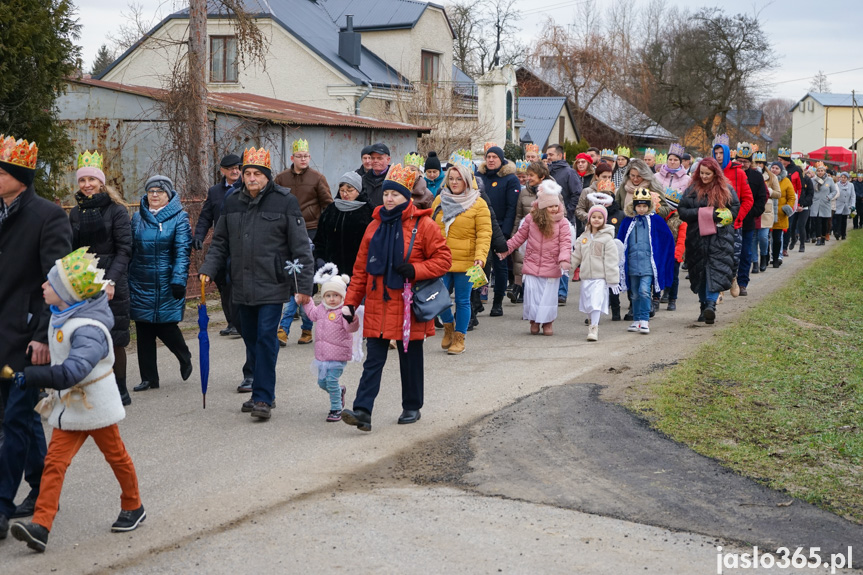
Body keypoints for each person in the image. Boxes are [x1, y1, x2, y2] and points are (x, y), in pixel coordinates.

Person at [6, 248, 145, 553]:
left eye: (50, 284)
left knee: (116, 456)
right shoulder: (63, 316)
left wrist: (33, 377)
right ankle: (41, 526)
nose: (44, 286)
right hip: (71, 406)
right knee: (54, 463)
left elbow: (73, 371)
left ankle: (133, 505)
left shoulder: (87, 329)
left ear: (67, 295)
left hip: (95, 405)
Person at [199, 147, 314, 421]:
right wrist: (208, 268)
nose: (251, 178)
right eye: (247, 173)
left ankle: (262, 397)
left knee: (265, 338)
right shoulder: (232, 201)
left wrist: (304, 287)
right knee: (251, 338)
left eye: (256, 174)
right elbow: (220, 242)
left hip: (273, 282)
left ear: (266, 176)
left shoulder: (285, 202)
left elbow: (300, 247)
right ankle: (264, 392)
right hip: (240, 283)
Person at [340, 165, 452, 432]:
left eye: (396, 195)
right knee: (373, 360)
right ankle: (362, 411)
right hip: (378, 300)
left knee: (410, 358)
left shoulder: (424, 225)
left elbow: (444, 260)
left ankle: (412, 406)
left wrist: (416, 270)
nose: (389, 199)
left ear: (407, 197)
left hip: (408, 304)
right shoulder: (373, 226)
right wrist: (351, 302)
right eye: (387, 194)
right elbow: (360, 269)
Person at [0, 134, 72, 539]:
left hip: (27, 335)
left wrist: (45, 335)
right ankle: (43, 486)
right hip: (0, 329)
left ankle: (6, 502)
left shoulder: (48, 216)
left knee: (15, 417)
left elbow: (56, 280)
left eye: (1, 171)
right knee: (20, 420)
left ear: (20, 178)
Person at [68, 151, 133, 406]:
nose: (86, 185)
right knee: (88, 337)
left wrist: (111, 281)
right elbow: (73, 250)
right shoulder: (75, 213)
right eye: (82, 180)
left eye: (91, 180)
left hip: (112, 281)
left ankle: (121, 389)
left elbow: (125, 249)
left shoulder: (116, 211)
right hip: (85, 281)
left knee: (115, 337)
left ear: (101, 182)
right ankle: (96, 387)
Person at [128, 175, 193, 392]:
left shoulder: (180, 218)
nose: (154, 195)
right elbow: (130, 250)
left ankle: (184, 355)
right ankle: (148, 378)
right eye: (151, 191)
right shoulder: (137, 218)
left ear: (168, 194)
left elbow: (182, 252)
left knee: (166, 325)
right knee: (144, 326)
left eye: (159, 191)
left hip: (166, 280)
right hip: (141, 280)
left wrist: (178, 280)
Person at [274, 139, 334, 346]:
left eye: (306, 156)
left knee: (305, 279)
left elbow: (328, 205)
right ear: (292, 158)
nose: (303, 159)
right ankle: (296, 328)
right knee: (293, 277)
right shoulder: (281, 178)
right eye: (299, 156)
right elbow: (273, 202)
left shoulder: (317, 178)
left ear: (309, 157)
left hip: (311, 230)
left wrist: (324, 231)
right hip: (287, 231)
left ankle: (302, 329)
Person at [432, 163, 492, 355]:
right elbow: (431, 229)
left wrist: (480, 257)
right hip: (441, 259)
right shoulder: (440, 200)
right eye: (451, 179)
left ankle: (459, 337)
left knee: (463, 301)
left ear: (467, 180)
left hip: (467, 261)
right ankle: (448, 328)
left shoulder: (478, 203)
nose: (455, 182)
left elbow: (484, 233)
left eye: (459, 179)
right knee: (439, 300)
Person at [498, 180, 572, 336]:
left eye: (555, 205)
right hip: (532, 263)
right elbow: (519, 237)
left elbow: (565, 242)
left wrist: (564, 259)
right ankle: (534, 321)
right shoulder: (531, 220)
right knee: (533, 295)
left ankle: (547, 322)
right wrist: (506, 249)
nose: (553, 209)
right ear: (543, 206)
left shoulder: (563, 223)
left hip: (551, 265)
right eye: (550, 206)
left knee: (548, 297)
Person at [678, 157, 740, 325]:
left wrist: (717, 215)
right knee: (700, 272)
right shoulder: (691, 190)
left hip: (719, 237)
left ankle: (711, 305)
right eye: (702, 173)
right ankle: (703, 305)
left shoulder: (726, 189)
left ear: (715, 173)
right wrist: (701, 213)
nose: (704, 177)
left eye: (708, 174)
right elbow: (682, 210)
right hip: (697, 237)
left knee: (715, 270)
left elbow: (734, 209)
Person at [193, 153, 242, 337]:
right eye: (231, 169)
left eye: (237, 167)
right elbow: (206, 216)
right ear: (223, 171)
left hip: (238, 245)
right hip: (221, 245)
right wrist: (199, 235)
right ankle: (231, 322)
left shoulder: (245, 188)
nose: (235, 171)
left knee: (234, 282)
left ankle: (239, 323)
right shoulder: (215, 192)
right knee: (223, 284)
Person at [303, 266, 360, 422]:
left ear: (342, 297)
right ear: (323, 297)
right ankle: (340, 391)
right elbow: (311, 314)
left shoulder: (344, 311)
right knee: (322, 383)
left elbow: (351, 328)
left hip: (338, 356)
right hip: (322, 355)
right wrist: (306, 301)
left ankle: (336, 409)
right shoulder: (321, 309)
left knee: (331, 380)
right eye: (328, 295)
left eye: (336, 295)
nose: (332, 299)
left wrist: (352, 318)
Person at [616, 188, 675, 334]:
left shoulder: (656, 221)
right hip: (632, 263)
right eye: (638, 206)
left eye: (644, 206)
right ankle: (636, 320)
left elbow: (666, 239)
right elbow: (620, 240)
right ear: (634, 206)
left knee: (644, 291)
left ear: (649, 206)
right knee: (634, 293)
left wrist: (663, 257)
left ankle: (644, 319)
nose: (641, 209)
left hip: (649, 263)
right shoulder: (628, 221)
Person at [475, 145, 519, 317]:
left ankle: (498, 302)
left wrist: (506, 233)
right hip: (480, 227)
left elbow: (511, 208)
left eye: (495, 157)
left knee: (500, 267)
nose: (491, 160)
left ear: (501, 159)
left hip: (499, 227)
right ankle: (476, 299)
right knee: (479, 265)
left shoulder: (510, 179)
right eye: (488, 157)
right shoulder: (478, 177)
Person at [571, 205, 620, 341]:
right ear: (589, 218)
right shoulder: (583, 237)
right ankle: (590, 321)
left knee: (596, 302)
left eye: (600, 217)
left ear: (604, 220)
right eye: (594, 217)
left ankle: (594, 327)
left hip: (600, 278)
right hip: (586, 277)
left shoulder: (607, 239)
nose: (596, 220)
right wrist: (567, 268)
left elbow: (611, 260)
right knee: (588, 303)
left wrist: (612, 279)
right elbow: (576, 255)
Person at [313, 171, 373, 279]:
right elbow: (320, 240)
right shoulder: (331, 210)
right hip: (332, 270)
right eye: (342, 190)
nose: (345, 194)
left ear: (358, 190)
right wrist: (319, 258)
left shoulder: (368, 212)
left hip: (359, 271)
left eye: (350, 190)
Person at [545, 143, 582, 305]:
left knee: (564, 255)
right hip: (547, 222)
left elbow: (577, 194)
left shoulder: (569, 173)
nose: (548, 157)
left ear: (560, 156)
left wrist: (566, 211)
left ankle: (562, 292)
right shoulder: (546, 173)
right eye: (547, 154)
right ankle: (549, 291)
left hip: (566, 221)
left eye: (551, 154)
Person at [510, 161, 551, 304]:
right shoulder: (523, 192)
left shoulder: (552, 190)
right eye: (527, 175)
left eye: (531, 175)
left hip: (545, 235)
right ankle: (523, 292)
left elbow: (560, 213)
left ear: (542, 176)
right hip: (526, 233)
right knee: (521, 263)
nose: (528, 178)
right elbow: (518, 215)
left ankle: (541, 302)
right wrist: (514, 235)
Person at [733, 143, 766, 296]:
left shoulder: (756, 177)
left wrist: (751, 212)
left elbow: (761, 198)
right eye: (740, 161)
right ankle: (729, 281)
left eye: (745, 161)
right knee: (730, 253)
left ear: (750, 162)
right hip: (730, 221)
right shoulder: (730, 174)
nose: (742, 164)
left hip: (747, 221)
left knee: (746, 253)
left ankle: (742, 282)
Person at [754, 152, 780, 269]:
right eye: (756, 163)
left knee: (763, 237)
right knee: (753, 238)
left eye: (761, 163)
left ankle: (764, 256)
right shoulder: (750, 174)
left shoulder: (771, 176)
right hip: (753, 208)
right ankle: (755, 262)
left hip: (766, 210)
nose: (758, 165)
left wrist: (769, 191)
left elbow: (778, 194)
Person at [769, 162, 796, 267]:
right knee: (765, 238)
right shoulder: (767, 179)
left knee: (777, 237)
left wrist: (787, 208)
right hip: (767, 213)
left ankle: (776, 258)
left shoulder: (786, 181)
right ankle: (767, 257)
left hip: (780, 214)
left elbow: (791, 197)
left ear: (781, 170)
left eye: (777, 168)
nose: (774, 170)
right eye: (773, 168)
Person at [809, 163, 838, 246]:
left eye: (822, 171)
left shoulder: (829, 180)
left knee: (824, 222)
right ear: (816, 172)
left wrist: (829, 197)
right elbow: (810, 191)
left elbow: (834, 191)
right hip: (816, 203)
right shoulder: (813, 180)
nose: (820, 172)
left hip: (825, 203)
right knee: (817, 221)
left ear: (824, 171)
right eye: (818, 171)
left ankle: (823, 237)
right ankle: (818, 238)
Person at [362, 142, 391, 207]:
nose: (375, 161)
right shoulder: (363, 179)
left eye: (379, 158)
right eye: (372, 158)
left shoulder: (395, 179)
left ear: (388, 160)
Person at [834, 172, 855, 240]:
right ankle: (837, 232)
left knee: (844, 220)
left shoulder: (851, 185)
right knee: (838, 219)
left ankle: (843, 234)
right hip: (838, 204)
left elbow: (852, 196)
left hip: (846, 205)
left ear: (847, 178)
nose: (843, 179)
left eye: (844, 177)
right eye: (842, 177)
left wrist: (852, 205)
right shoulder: (837, 184)